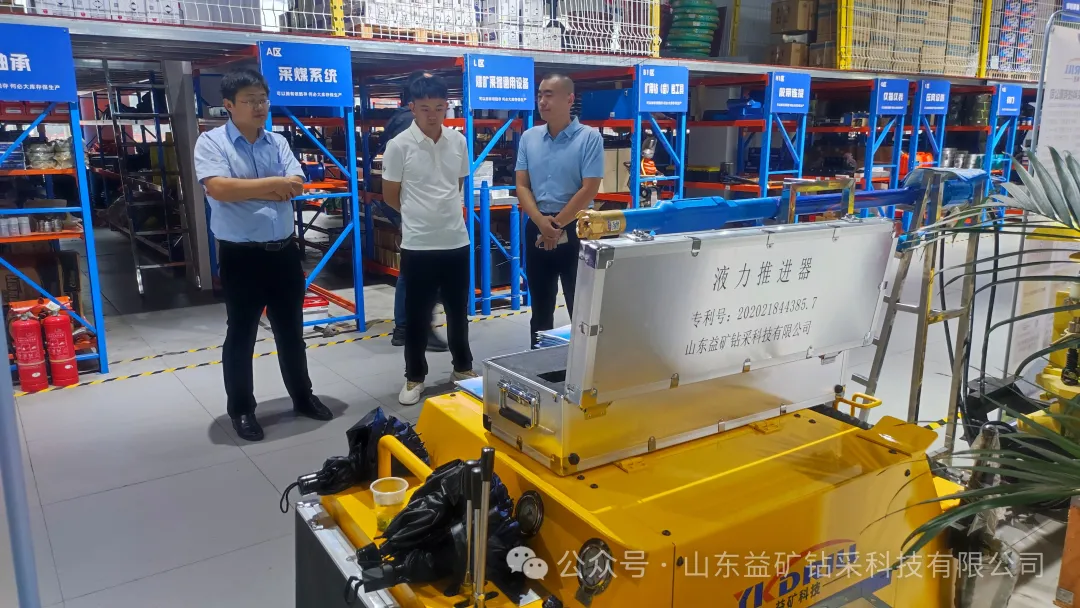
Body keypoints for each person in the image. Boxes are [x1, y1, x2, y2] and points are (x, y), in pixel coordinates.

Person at [194, 68, 333, 442]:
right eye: (250, 101)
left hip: (284, 253)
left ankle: (302, 396)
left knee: (291, 332)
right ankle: (241, 409)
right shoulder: (211, 143)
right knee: (241, 336)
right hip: (242, 257)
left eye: (263, 100)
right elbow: (220, 189)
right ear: (228, 105)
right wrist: (273, 184)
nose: (259, 107)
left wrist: (248, 189)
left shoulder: (278, 142)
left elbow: (297, 184)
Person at [381, 74, 477, 406]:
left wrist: (441, 212)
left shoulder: (458, 141)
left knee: (457, 311)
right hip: (419, 245)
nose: (433, 115)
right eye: (425, 109)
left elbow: (457, 184)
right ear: (412, 108)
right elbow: (390, 195)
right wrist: (418, 215)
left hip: (456, 242)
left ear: (447, 106)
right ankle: (414, 376)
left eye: (439, 108)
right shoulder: (398, 146)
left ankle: (462, 368)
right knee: (418, 316)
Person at [515, 74, 604, 347]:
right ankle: (539, 362)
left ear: (569, 99)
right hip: (537, 226)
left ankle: (583, 365)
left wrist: (554, 227)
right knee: (540, 307)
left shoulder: (589, 138)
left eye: (549, 94)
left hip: (578, 229)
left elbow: (589, 188)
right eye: (540, 94)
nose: (542, 101)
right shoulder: (529, 138)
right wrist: (541, 223)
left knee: (581, 306)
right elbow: (522, 185)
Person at [380, 71, 449, 353]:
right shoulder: (406, 126)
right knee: (414, 270)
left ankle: (407, 326)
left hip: (417, 209)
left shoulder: (399, 119)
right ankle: (408, 327)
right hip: (413, 209)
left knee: (416, 269)